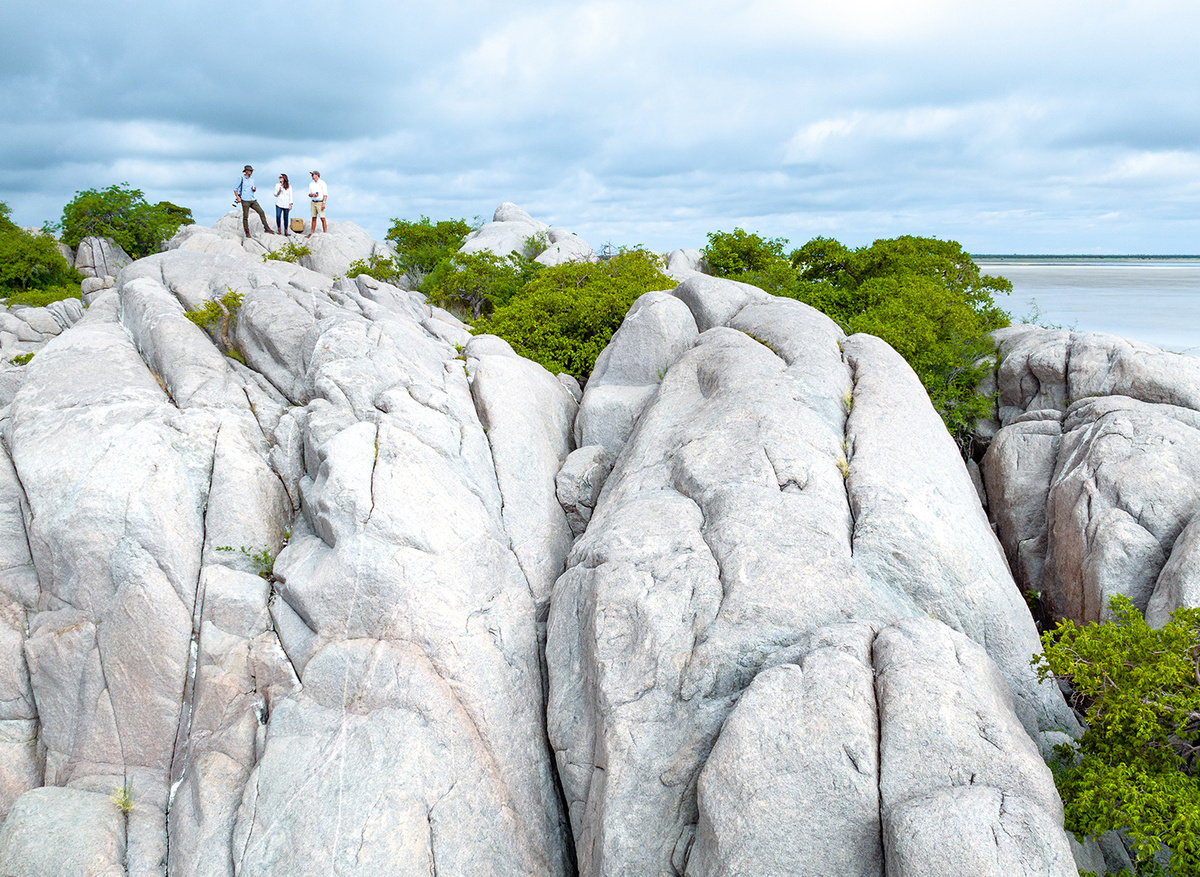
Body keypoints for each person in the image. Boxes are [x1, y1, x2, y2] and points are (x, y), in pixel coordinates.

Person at [234, 165, 274, 237]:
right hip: (245, 200)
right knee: (245, 216)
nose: (251, 172)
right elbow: (235, 189)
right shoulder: (241, 179)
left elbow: (252, 189)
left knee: (261, 212)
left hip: (252, 199)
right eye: (250, 170)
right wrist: (237, 197)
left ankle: (266, 228)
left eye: (252, 171)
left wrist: (254, 189)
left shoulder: (252, 180)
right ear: (246, 171)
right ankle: (247, 232)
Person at [308, 170, 328, 235]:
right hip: (313, 202)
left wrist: (323, 203)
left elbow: (325, 194)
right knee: (313, 218)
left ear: (317, 175)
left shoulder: (322, 183)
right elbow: (309, 194)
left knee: (322, 218)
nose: (312, 176)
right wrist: (312, 195)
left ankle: (325, 232)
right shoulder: (311, 184)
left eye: (313, 174)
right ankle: (312, 232)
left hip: (320, 202)